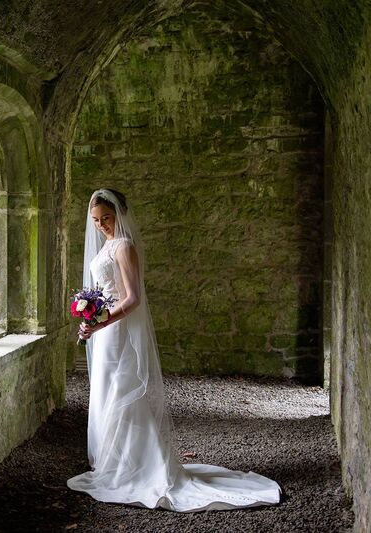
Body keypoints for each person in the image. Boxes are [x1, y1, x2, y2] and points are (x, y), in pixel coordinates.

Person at [66, 188, 281, 511]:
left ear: (120, 215)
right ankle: (119, 464)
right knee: (108, 394)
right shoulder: (107, 246)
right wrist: (91, 317)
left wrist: (100, 320)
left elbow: (133, 298)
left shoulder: (123, 247)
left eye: (106, 219)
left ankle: (142, 466)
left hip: (118, 331)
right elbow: (105, 293)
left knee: (123, 394)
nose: (101, 225)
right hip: (106, 332)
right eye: (96, 221)